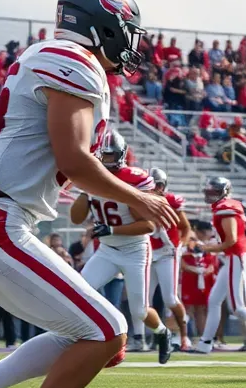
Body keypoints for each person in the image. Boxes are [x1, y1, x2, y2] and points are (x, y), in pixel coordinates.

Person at [0, 0, 177, 388]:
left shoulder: (51, 55)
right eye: (127, 31)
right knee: (107, 329)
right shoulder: (73, 59)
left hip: (2, 213)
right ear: (106, 25)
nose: (130, 43)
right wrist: (141, 198)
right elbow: (74, 159)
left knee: (93, 332)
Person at [70, 130, 172, 364]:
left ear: (122, 154)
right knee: (78, 293)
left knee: (139, 311)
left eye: (111, 155)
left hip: (135, 251)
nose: (107, 160)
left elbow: (148, 225)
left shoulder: (135, 178)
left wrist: (112, 230)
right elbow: (76, 218)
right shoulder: (92, 176)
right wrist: (86, 189)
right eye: (103, 156)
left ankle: (162, 333)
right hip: (106, 250)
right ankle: (94, 338)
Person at [192, 176, 246, 357]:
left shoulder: (226, 208)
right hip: (232, 258)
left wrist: (207, 247)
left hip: (235, 257)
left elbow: (231, 240)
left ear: (224, 191)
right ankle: (205, 343)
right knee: (214, 300)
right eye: (209, 192)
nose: (211, 196)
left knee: (237, 307)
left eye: (214, 192)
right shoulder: (224, 206)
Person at [147, 167, 192, 352]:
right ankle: (149, 337)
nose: (155, 188)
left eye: (158, 184)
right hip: (148, 253)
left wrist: (180, 245)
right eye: (151, 184)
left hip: (167, 252)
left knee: (171, 298)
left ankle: (184, 335)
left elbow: (186, 228)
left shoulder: (171, 201)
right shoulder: (139, 200)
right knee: (144, 301)